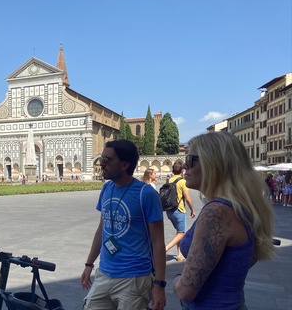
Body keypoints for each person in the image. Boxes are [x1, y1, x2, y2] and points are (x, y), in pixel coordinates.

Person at [173, 132, 275, 309]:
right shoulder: (242, 206)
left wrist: (176, 281)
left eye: (189, 160)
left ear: (214, 163)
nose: (183, 167)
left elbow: (185, 291)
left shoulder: (218, 211)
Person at [81, 139, 166, 310]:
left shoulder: (146, 193)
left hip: (134, 279)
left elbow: (158, 242)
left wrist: (159, 285)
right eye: (102, 158)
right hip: (104, 273)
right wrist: (89, 264)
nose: (102, 164)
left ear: (125, 164)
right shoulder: (106, 189)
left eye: (108, 160)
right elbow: (101, 230)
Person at [165, 162, 196, 262]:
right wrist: (192, 210)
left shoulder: (168, 180)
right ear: (182, 171)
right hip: (179, 210)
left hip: (169, 210)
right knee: (181, 233)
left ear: (172, 171)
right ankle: (165, 249)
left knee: (178, 232)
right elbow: (187, 198)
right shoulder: (182, 181)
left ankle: (180, 254)